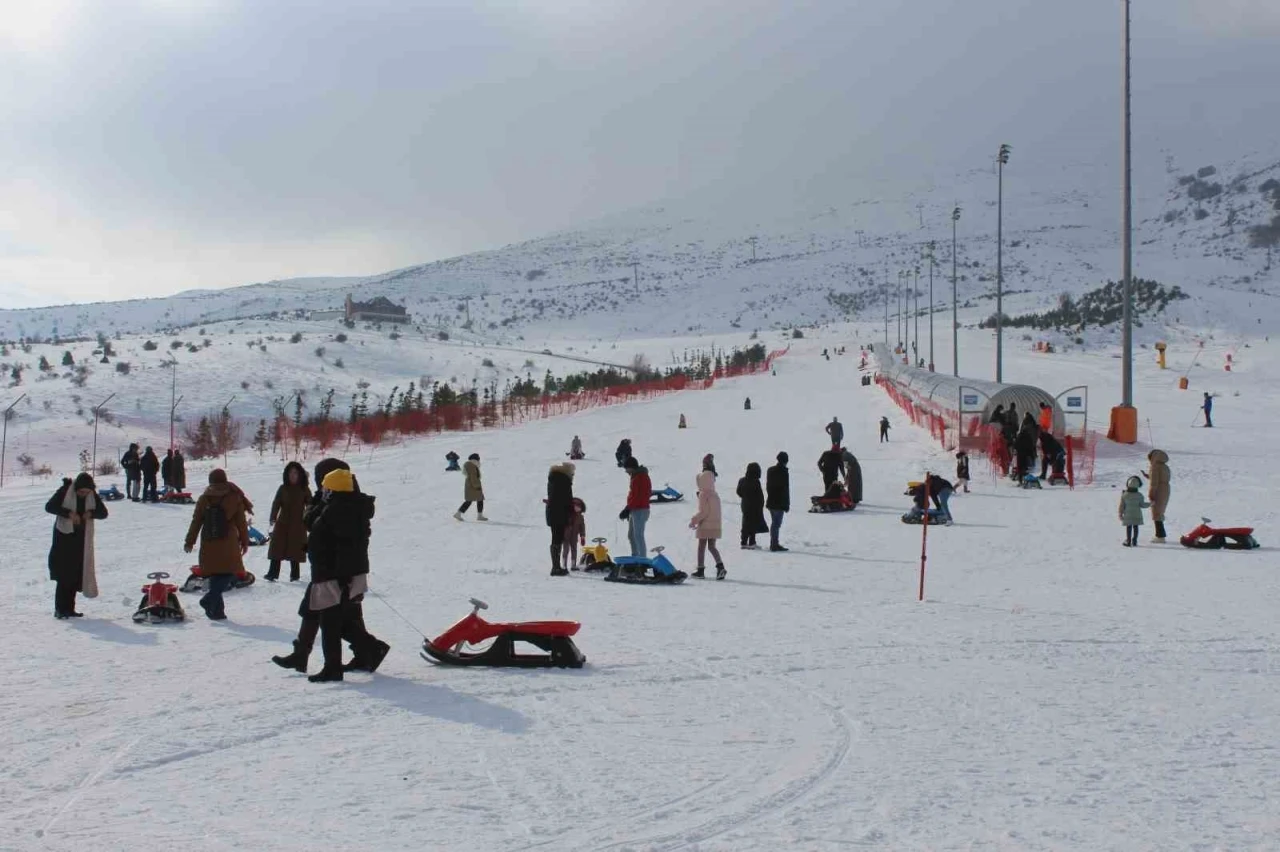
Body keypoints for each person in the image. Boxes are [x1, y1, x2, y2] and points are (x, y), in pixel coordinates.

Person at [272, 458, 388, 677]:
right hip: (333, 568)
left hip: (338, 569)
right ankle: (302, 653)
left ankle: (368, 650)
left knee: (340, 617)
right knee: (314, 608)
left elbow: (338, 534)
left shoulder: (341, 497)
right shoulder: (332, 493)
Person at [305, 466, 384, 682]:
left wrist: (342, 575)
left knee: (330, 622)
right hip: (342, 573)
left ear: (333, 490)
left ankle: (334, 667)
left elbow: (345, 547)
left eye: (326, 489)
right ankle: (370, 649)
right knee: (340, 620)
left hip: (334, 574)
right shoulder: (347, 507)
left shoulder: (338, 510)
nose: (323, 492)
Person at [183, 469, 251, 620]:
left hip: (209, 541)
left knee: (215, 575)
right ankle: (209, 599)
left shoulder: (204, 498)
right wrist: (245, 541)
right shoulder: (234, 497)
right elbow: (241, 522)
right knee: (230, 572)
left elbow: (196, 522)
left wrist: (189, 541)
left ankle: (217, 612)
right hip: (228, 541)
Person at [46, 473, 107, 618]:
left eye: (86, 493)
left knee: (75, 574)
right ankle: (60, 609)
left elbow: (103, 513)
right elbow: (50, 507)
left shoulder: (92, 495)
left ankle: (70, 609)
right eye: (81, 492)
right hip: (64, 538)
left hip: (81, 540)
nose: (83, 494)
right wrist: (69, 514)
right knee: (63, 574)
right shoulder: (65, 491)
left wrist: (91, 513)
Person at [267, 461, 311, 581]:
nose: (292, 475)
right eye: (290, 473)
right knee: (276, 548)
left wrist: (309, 520)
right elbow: (276, 504)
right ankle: (272, 573)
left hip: (298, 525)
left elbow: (310, 505)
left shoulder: (304, 489)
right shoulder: (282, 488)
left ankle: (294, 575)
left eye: (295, 473)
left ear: (300, 474)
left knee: (295, 549)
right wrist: (273, 518)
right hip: (283, 523)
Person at [689, 467, 725, 579]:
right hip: (715, 525)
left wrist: (694, 520)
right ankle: (720, 567)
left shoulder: (703, 494)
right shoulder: (715, 494)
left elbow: (704, 512)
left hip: (705, 525)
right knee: (712, 547)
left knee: (701, 547)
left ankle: (700, 570)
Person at [546, 461, 575, 576]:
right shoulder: (564, 481)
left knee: (555, 537)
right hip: (560, 513)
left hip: (552, 512)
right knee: (558, 538)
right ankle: (556, 567)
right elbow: (567, 499)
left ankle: (556, 566)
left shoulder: (552, 479)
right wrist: (571, 512)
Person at [619, 457, 651, 557]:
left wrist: (627, 509)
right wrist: (629, 509)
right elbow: (634, 495)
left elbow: (638, 496)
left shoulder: (640, 477)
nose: (626, 471)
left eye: (627, 468)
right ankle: (635, 556)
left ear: (631, 467)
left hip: (640, 510)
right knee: (631, 535)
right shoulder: (636, 476)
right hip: (635, 509)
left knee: (638, 535)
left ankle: (642, 560)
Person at [736, 462, 767, 549]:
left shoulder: (742, 480)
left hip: (745, 505)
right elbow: (759, 495)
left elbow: (738, 492)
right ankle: (751, 542)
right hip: (754, 506)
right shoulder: (756, 481)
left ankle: (744, 542)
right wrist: (761, 504)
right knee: (752, 524)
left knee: (745, 523)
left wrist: (745, 497)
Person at [765, 452, 790, 552]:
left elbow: (768, 486)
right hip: (779, 502)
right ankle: (774, 544)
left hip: (771, 500)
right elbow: (785, 489)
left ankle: (774, 543)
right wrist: (787, 504)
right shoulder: (784, 471)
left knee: (774, 523)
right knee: (776, 524)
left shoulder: (770, 470)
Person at [1119, 475, 1150, 547]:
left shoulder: (1125, 495)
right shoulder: (1139, 495)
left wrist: (1120, 513)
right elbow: (1142, 505)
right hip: (1137, 514)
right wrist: (1150, 504)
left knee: (1128, 527)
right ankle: (1135, 540)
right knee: (1136, 527)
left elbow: (1122, 506)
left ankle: (1128, 541)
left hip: (1128, 515)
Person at [1147, 449, 1171, 543]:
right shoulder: (1165, 466)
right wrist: (1149, 476)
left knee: (1156, 513)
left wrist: (1151, 494)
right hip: (1166, 489)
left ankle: (1160, 536)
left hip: (1158, 490)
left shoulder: (1155, 467)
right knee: (1160, 512)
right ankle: (1160, 534)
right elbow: (1162, 477)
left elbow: (1154, 483)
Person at [454, 453, 486, 521]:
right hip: (473, 486)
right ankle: (479, 516)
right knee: (476, 500)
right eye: (478, 458)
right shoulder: (471, 466)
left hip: (470, 485)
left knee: (474, 500)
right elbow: (473, 477)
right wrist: (477, 486)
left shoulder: (470, 465)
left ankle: (458, 513)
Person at [565, 497, 587, 570]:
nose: (577, 508)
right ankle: (564, 564)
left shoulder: (580, 517)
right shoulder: (568, 514)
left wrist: (582, 536)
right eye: (576, 507)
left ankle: (573, 565)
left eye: (579, 507)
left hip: (574, 536)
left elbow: (582, 527)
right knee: (566, 549)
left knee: (574, 549)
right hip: (566, 535)